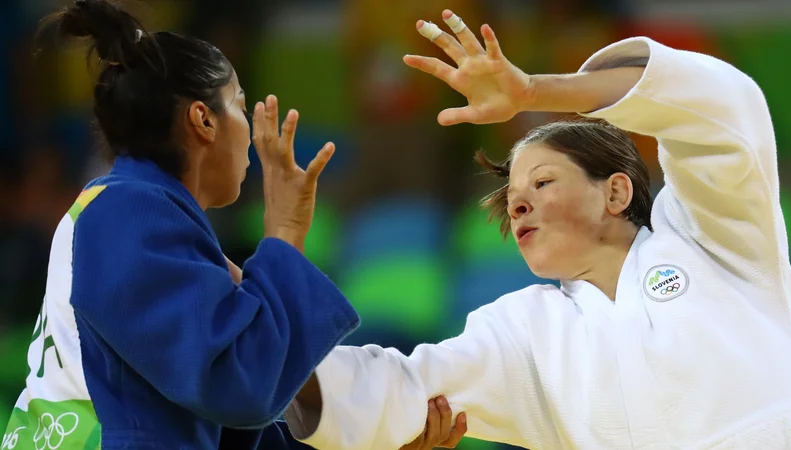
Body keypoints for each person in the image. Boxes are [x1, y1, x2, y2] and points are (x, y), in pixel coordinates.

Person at [283, 9, 791, 450]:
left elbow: (720, 106)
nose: (520, 205)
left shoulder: (712, 239)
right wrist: (245, 286)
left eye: (543, 182)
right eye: (512, 202)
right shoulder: (523, 332)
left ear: (615, 193)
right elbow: (389, 384)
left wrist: (535, 90)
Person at [1, 1, 467, 449]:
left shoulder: (128, 212)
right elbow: (239, 384)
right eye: (241, 106)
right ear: (203, 120)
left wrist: (379, 444)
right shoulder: (127, 213)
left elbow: (232, 427)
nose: (252, 130)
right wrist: (283, 233)